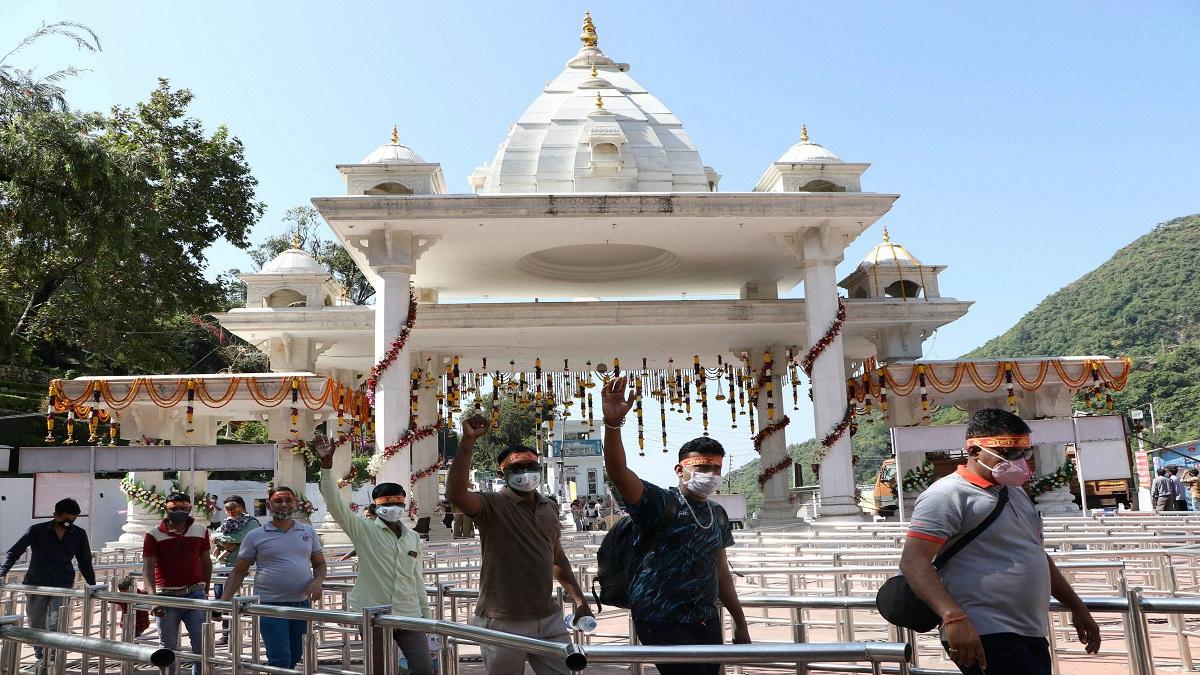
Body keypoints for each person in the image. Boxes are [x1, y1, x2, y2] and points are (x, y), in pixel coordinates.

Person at [899, 408, 1101, 675]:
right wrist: (953, 617)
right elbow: (914, 561)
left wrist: (1076, 606)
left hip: (1029, 629)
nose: (1017, 461)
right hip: (983, 630)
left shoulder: (1015, 493)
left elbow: (1035, 553)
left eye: (1022, 454)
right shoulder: (947, 495)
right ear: (974, 451)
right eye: (1006, 454)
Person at [599, 376, 750, 675]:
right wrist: (612, 426)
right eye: (702, 467)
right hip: (661, 618)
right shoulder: (658, 502)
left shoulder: (716, 514)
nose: (711, 474)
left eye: (716, 468)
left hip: (705, 618)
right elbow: (618, 473)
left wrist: (740, 621)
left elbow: (721, 571)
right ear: (680, 470)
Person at [446, 414, 595, 674]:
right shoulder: (491, 505)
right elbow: (456, 494)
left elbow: (557, 559)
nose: (525, 474)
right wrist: (467, 442)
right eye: (516, 469)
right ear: (501, 474)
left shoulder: (548, 506)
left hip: (549, 618)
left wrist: (579, 600)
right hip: (502, 620)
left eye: (530, 467)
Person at [313, 434, 435, 675]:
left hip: (410, 613)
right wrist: (326, 466)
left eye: (399, 503)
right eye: (387, 503)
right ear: (376, 507)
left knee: (424, 669)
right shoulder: (363, 529)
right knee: (379, 668)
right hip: (375, 613)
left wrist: (426, 616)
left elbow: (416, 578)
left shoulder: (412, 537)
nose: (394, 508)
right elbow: (335, 505)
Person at [220, 486, 325, 669]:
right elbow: (238, 572)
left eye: (288, 500)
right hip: (270, 605)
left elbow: (320, 564)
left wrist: (317, 582)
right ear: (269, 505)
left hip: (301, 605)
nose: (283, 505)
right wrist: (223, 602)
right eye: (278, 501)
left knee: (295, 656)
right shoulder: (255, 536)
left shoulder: (308, 532)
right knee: (280, 659)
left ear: (295, 503)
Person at [0, 498, 96, 672]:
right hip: (36, 583)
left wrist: (93, 585)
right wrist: (2, 572)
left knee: (57, 623)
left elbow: (85, 561)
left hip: (62, 584)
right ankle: (41, 657)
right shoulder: (37, 530)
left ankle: (51, 660)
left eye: (73, 520)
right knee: (36, 623)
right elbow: (15, 551)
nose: (69, 524)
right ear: (55, 515)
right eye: (66, 520)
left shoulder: (79, 534)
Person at [143, 491, 211, 675]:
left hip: (195, 594)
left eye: (183, 507)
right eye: (174, 508)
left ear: (190, 507)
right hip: (166, 596)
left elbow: (206, 562)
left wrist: (205, 590)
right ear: (166, 508)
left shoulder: (201, 530)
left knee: (201, 644)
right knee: (167, 647)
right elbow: (148, 568)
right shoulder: (153, 534)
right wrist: (153, 599)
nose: (179, 511)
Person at [212, 496, 260, 646]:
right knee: (221, 598)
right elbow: (215, 536)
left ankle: (233, 635)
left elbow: (239, 537)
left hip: (238, 568)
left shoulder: (251, 522)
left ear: (241, 506)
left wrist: (220, 538)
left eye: (233, 508)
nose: (230, 512)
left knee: (234, 602)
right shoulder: (228, 523)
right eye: (227, 509)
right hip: (222, 567)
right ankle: (226, 634)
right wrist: (220, 539)